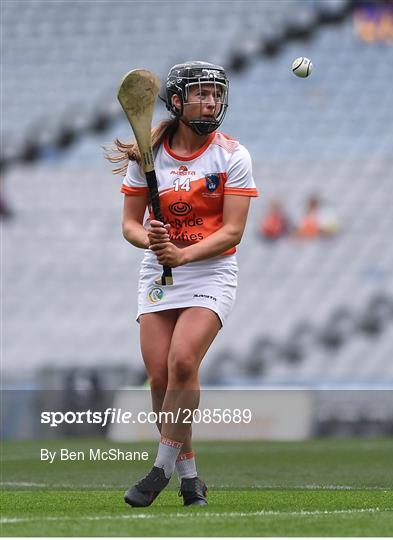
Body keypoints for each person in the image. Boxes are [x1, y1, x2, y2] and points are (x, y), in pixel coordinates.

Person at [106, 61, 258, 507]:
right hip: (159, 275)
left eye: (215, 94)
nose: (210, 101)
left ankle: (158, 471)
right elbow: (130, 225)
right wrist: (151, 242)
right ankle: (190, 478)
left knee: (183, 361)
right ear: (176, 100)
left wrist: (183, 253)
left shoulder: (233, 155)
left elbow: (232, 233)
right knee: (158, 377)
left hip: (211, 271)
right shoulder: (148, 153)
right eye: (200, 94)